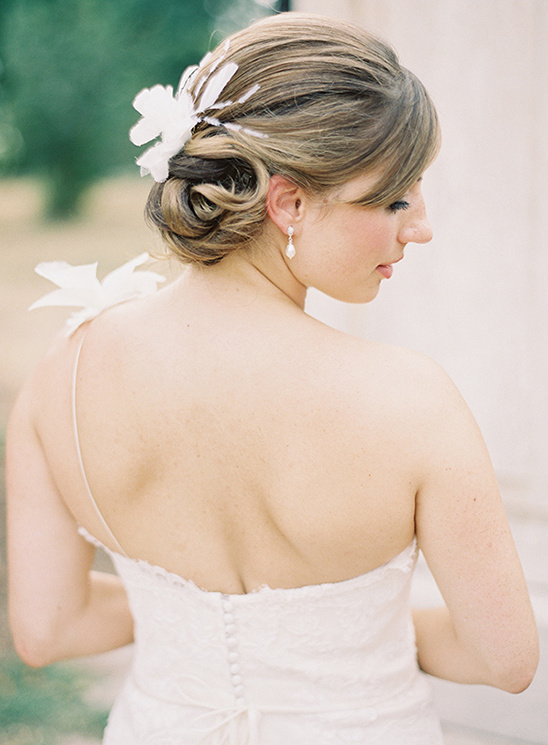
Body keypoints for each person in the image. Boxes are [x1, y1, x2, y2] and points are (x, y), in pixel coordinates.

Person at [7, 11, 538, 745]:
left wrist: (193, 625)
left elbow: (47, 627)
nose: (420, 226)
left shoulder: (62, 376)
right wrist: (339, 634)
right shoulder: (409, 400)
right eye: (394, 198)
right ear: (288, 202)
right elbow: (503, 656)